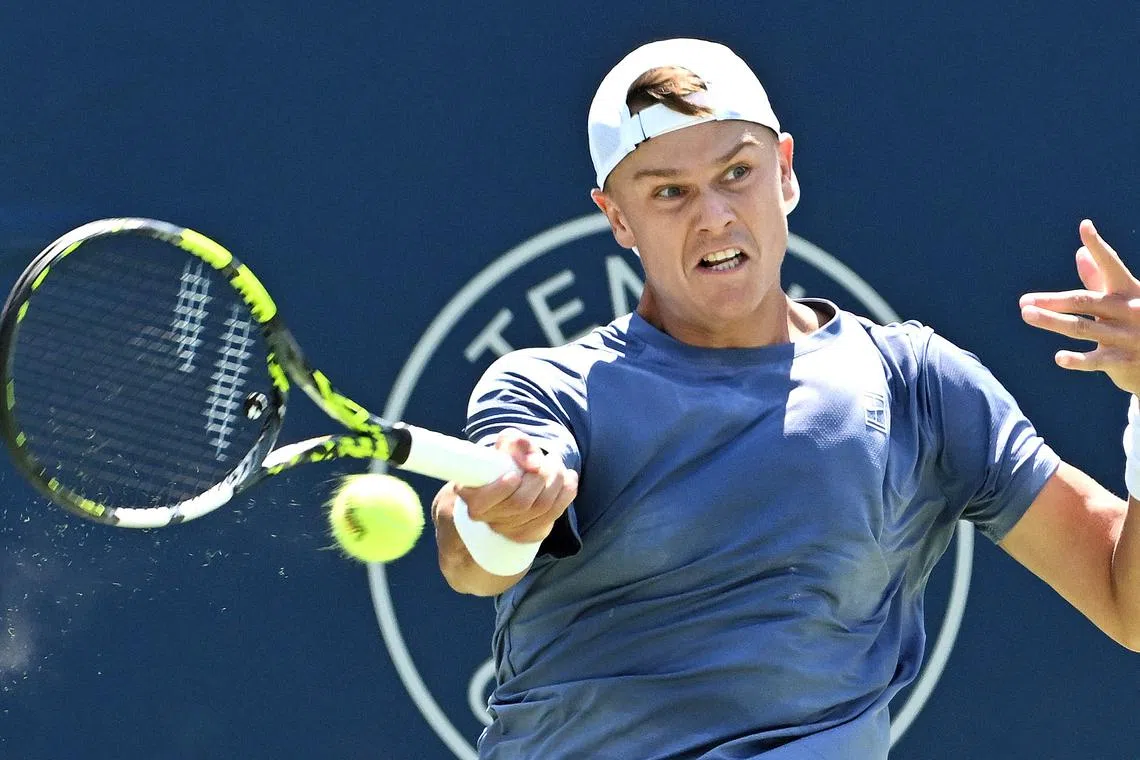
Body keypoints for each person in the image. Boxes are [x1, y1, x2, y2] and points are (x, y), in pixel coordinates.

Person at [431, 38, 1140, 759]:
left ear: (786, 172)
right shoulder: (550, 390)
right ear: (617, 218)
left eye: (737, 172)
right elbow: (470, 557)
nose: (714, 216)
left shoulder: (919, 385)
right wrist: (501, 514)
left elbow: (1129, 600)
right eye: (668, 192)